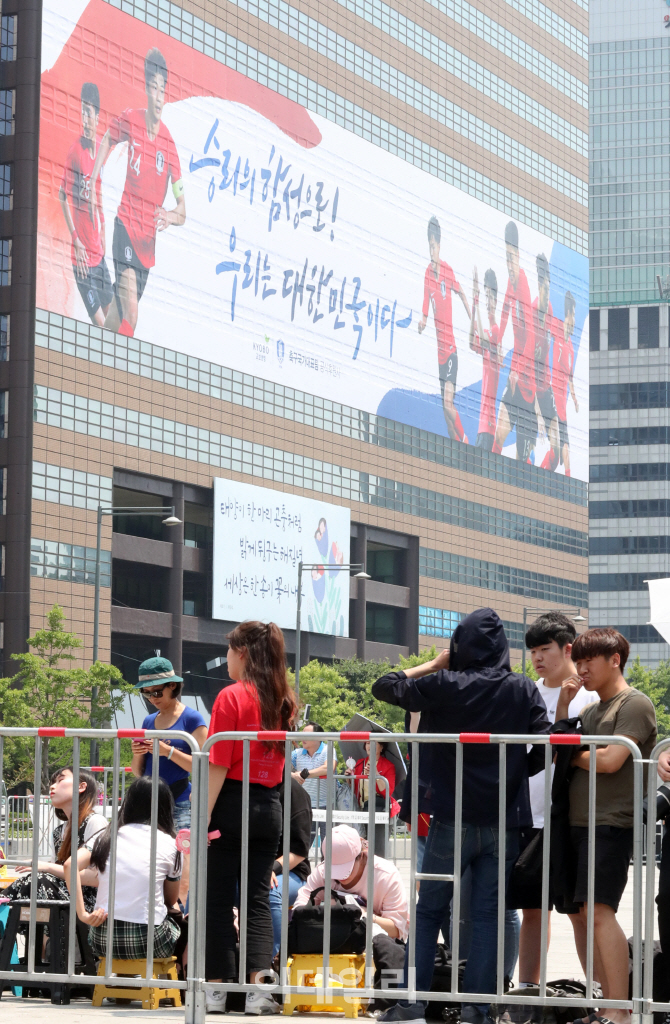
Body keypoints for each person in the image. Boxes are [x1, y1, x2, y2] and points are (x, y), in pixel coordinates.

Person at [371, 608, 550, 1024]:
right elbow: (544, 744)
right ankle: (477, 1009)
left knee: (431, 907)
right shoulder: (522, 688)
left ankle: (412, 1003)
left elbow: (386, 686)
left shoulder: (444, 684)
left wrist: (434, 664)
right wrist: (513, 775)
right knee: (488, 914)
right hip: (503, 820)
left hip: (451, 817)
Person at [557, 627, 657, 1024]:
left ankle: (619, 1009)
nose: (581, 668)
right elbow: (563, 746)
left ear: (615, 660)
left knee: (600, 912)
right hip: (579, 821)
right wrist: (564, 710)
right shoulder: (589, 711)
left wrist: (569, 754)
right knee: (583, 914)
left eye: (588, 660)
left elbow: (612, 761)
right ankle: (604, 1005)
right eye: (577, 660)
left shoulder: (633, 704)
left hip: (612, 822)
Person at [205, 620, 296, 1015]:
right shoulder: (282, 700)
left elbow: (218, 764)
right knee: (258, 899)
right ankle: (260, 993)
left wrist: (202, 817)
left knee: (218, 898)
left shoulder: (230, 697)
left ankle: (216, 991)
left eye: (229, 650)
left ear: (242, 652)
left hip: (230, 802)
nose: (226, 658)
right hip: (269, 805)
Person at [511, 612, 598, 990]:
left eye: (544, 649)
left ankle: (596, 989)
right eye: (532, 651)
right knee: (533, 910)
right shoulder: (523, 691)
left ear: (567, 649)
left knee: (580, 911)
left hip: (573, 817)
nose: (537, 658)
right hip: (528, 816)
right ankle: (528, 989)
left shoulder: (591, 698)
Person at [89, 47, 185, 338]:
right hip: (125, 229)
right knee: (132, 310)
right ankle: (124, 380)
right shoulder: (132, 119)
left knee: (119, 315)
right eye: (153, 88)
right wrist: (95, 176)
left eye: (162, 90)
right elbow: (107, 137)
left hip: (147, 250)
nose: (158, 96)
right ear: (146, 89)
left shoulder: (169, 144)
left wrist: (170, 215)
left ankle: (97, 360)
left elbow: (183, 210)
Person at [66, 776, 182, 960]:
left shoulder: (106, 836)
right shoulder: (171, 844)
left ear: (128, 803)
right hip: (149, 940)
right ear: (165, 807)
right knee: (180, 925)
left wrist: (83, 915)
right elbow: (171, 899)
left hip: (102, 940)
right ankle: (175, 985)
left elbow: (70, 865)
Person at [293, 825, 409, 1009]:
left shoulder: (386, 875)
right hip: (335, 942)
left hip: (375, 946)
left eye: (345, 868)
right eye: (334, 869)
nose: (341, 877)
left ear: (362, 854)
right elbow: (300, 907)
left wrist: (365, 917)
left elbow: (398, 930)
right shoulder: (322, 872)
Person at [4, 767, 106, 912]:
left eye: (60, 780)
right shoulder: (59, 832)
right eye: (53, 782)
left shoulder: (95, 822)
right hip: (62, 897)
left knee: (38, 881)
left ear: (81, 786)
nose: (52, 786)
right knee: (31, 885)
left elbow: (97, 878)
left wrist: (47, 866)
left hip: (87, 904)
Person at [58, 82, 113, 327]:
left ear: (97, 116)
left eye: (89, 113)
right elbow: (62, 195)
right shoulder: (75, 153)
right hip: (82, 262)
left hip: (99, 256)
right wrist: (75, 240)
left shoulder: (100, 149)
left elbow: (98, 190)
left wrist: (102, 225)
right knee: (102, 327)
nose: (85, 118)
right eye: (82, 112)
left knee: (115, 322)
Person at [418, 216, 471, 443]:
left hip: (451, 351)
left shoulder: (448, 271)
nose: (432, 251)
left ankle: (467, 441)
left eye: (434, 246)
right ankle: (459, 450)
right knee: (446, 419)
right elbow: (424, 310)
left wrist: (473, 320)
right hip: (439, 357)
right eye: (429, 246)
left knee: (449, 405)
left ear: (439, 246)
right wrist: (422, 323)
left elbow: (461, 293)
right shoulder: (427, 276)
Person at [493, 221, 537, 462]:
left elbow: (530, 339)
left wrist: (518, 370)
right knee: (498, 435)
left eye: (511, 258)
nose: (508, 265)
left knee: (522, 462)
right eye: (505, 258)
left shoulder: (524, 287)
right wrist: (498, 343)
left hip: (528, 387)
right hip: (515, 381)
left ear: (518, 255)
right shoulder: (511, 282)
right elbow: (504, 310)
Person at [269, 775, 312, 958]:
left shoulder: (293, 792)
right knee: (202, 886)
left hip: (292, 871)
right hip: (253, 866)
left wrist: (271, 868)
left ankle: (275, 960)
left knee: (268, 891)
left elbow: (299, 851)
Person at [345, 739, 400, 857]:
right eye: (368, 743)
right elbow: (354, 788)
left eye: (375, 743)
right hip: (361, 810)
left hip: (380, 810)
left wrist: (377, 775)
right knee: (361, 847)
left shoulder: (388, 766)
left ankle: (378, 873)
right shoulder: (359, 763)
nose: (370, 745)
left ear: (382, 747)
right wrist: (349, 778)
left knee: (377, 849)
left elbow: (387, 791)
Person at [531, 255, 560, 472]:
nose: (547, 293)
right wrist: (539, 414)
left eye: (549, 288)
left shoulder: (549, 309)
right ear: (539, 286)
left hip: (546, 388)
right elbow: (528, 364)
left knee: (556, 451)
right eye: (545, 288)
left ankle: (541, 476)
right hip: (530, 391)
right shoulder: (532, 312)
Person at [291, 721, 337, 857]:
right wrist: (293, 775)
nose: (303, 737)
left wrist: (304, 774)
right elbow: (282, 769)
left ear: (318, 737)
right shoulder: (296, 753)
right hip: (304, 806)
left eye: (307, 734)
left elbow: (329, 768)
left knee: (328, 846)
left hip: (326, 805)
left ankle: (328, 876)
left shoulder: (328, 749)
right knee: (302, 845)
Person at [469, 267, 502, 452]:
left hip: (489, 427)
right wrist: (474, 305)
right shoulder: (489, 334)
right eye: (486, 296)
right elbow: (470, 342)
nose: (487, 302)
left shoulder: (495, 332)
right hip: (482, 427)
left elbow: (481, 338)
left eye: (490, 297)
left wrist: (476, 301)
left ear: (496, 301)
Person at [551, 291, 579, 478]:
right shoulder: (557, 328)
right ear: (568, 314)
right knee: (555, 451)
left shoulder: (571, 348)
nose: (575, 320)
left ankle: (568, 483)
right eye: (574, 315)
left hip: (563, 408)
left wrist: (575, 398)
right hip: (551, 400)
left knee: (565, 448)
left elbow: (570, 377)